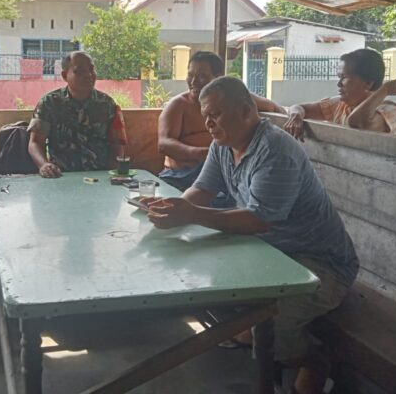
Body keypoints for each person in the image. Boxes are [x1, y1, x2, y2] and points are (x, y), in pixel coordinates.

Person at [146, 76, 359, 394]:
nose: (208, 123)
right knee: (215, 294)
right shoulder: (223, 145)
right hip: (271, 252)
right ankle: (251, 342)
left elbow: (258, 220)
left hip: (320, 264)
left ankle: (316, 362)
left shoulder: (275, 150)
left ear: (246, 111)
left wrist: (189, 215)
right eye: (205, 115)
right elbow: (202, 190)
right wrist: (172, 208)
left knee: (271, 333)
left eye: (216, 114)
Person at [158, 51, 286, 191]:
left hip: (225, 174)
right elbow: (164, 144)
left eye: (202, 76)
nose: (194, 82)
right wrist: (203, 154)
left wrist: (296, 115)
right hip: (181, 176)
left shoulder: (237, 99)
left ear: (218, 78)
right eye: (190, 75)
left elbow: (275, 108)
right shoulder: (177, 105)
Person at [28, 51, 127, 178]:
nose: (88, 75)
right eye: (80, 71)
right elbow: (35, 142)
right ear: (65, 76)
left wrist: (110, 175)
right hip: (60, 177)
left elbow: (117, 146)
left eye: (91, 69)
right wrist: (43, 165)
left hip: (99, 177)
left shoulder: (107, 104)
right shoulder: (49, 103)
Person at [284, 48, 396, 140]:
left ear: (368, 83)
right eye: (339, 77)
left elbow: (356, 122)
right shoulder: (341, 105)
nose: (339, 84)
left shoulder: (388, 110)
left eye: (344, 78)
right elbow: (298, 107)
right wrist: (296, 116)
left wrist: (386, 89)